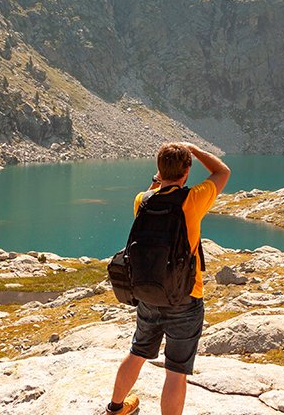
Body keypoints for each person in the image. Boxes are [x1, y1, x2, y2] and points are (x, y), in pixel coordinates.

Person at [104, 142, 230, 415]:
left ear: (159, 171)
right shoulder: (193, 199)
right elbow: (221, 171)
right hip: (186, 298)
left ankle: (115, 408)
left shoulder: (142, 200)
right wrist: (194, 151)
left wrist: (160, 173)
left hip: (149, 294)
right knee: (176, 371)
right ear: (186, 172)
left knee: (137, 351)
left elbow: (154, 189)